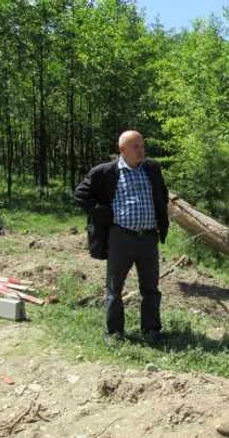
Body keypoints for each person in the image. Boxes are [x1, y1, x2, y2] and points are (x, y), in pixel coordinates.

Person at [74, 130, 169, 346]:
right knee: (114, 288)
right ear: (122, 150)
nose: (141, 150)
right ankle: (114, 333)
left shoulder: (152, 169)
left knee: (151, 288)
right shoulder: (106, 172)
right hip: (120, 238)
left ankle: (152, 330)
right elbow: (80, 195)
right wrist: (102, 213)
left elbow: (162, 193)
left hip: (148, 239)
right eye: (135, 146)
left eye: (142, 146)